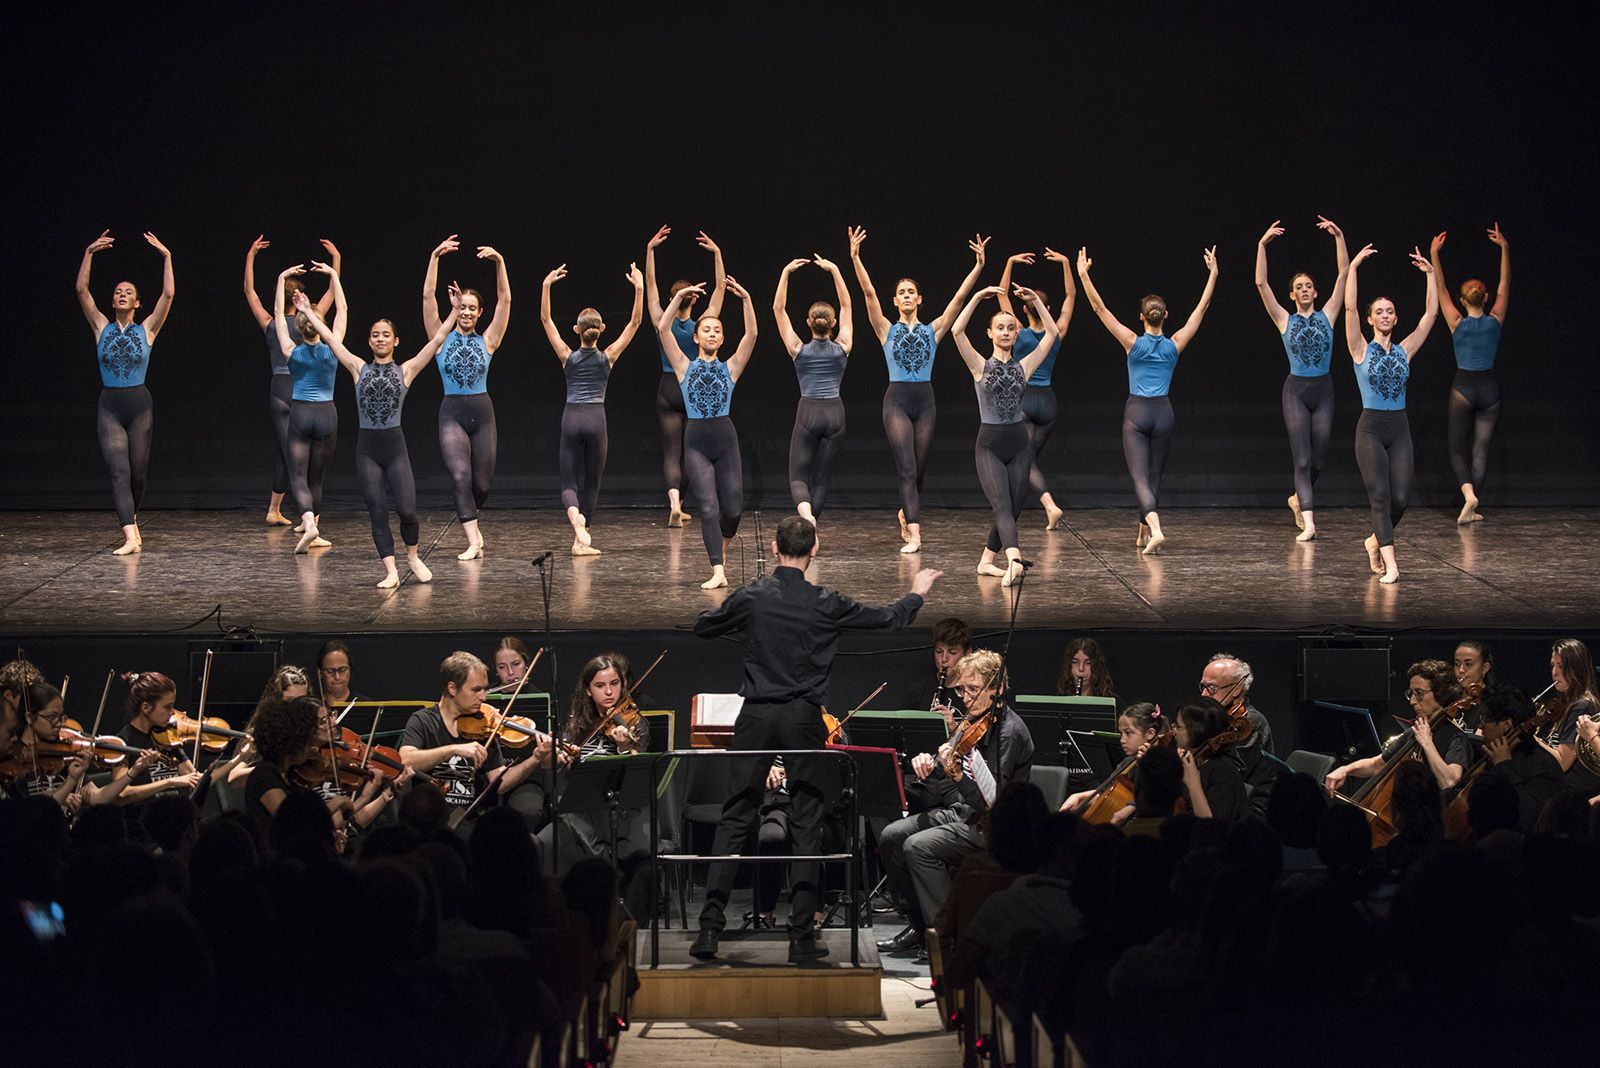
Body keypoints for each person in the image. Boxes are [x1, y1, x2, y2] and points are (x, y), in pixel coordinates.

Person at [688, 515, 941, 962]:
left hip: (758, 714)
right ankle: (801, 937)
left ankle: (709, 931)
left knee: (735, 817)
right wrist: (917, 592)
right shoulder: (825, 601)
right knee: (807, 820)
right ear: (815, 549)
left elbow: (704, 626)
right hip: (804, 716)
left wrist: (746, 623)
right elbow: (885, 619)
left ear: (773, 545)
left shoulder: (753, 596)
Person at [877, 649, 1033, 960]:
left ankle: (953, 939)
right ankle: (922, 929)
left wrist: (958, 774)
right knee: (891, 836)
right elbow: (942, 764)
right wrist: (928, 762)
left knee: (918, 847)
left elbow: (991, 801)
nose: (965, 697)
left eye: (973, 690)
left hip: (994, 826)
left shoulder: (1009, 732)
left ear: (998, 688)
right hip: (965, 813)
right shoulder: (970, 721)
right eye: (961, 689)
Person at [296, 288, 459, 585]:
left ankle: (412, 556)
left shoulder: (406, 370)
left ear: (395, 341)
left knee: (408, 510)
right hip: (367, 450)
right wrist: (307, 312)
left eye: (386, 335)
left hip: (395, 448)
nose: (380, 339)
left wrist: (455, 311)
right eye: (375, 335)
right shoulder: (358, 368)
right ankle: (391, 571)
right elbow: (331, 339)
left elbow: (437, 340)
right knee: (378, 510)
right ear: (369, 341)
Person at [849, 226, 989, 554]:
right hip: (896, 401)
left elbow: (957, 300)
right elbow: (868, 294)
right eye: (903, 292)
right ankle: (915, 533)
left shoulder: (933, 330)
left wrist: (978, 268)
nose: (908, 295)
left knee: (919, 469)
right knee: (907, 468)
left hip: (925, 401)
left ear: (920, 298)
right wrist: (855, 258)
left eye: (912, 291)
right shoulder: (885, 328)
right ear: (896, 300)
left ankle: (905, 512)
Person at [1076, 244, 1218, 554]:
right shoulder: (1174, 344)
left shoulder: (1132, 342)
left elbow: (1100, 309)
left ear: (1141, 318)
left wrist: (1084, 276)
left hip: (1138, 412)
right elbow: (1201, 310)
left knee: (1139, 476)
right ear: (1166, 316)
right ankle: (1143, 531)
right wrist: (1213, 274)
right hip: (1164, 413)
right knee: (1154, 476)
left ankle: (1154, 527)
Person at [948, 283, 1061, 585]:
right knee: (1001, 506)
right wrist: (975, 298)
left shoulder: (1025, 366)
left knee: (1014, 508)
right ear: (990, 333)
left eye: (1011, 328)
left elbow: (1052, 334)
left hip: (1019, 444)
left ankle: (986, 561)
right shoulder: (979, 366)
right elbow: (957, 331)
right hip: (990, 446)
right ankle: (1014, 559)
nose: (1007, 332)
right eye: (1000, 328)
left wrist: (1036, 299)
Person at [1342, 242, 1439, 584]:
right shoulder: (1359, 348)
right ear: (1371, 319)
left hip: (1399, 427)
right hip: (1370, 428)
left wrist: (1431, 275)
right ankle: (1391, 562)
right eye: (1379, 311)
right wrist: (1352, 269)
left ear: (1396, 318)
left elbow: (1430, 316)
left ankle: (1373, 539)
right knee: (1380, 497)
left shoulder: (1405, 350)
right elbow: (1349, 307)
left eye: (1390, 311)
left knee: (1400, 498)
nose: (1385, 315)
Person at [75, 229, 175, 556]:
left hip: (139, 406)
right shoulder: (100, 327)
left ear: (136, 302)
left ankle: (131, 515)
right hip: (111, 406)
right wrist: (89, 253)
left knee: (138, 474)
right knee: (119, 470)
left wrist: (167, 257)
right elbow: (81, 290)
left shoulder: (147, 328)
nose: (121, 294)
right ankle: (130, 535)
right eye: (118, 291)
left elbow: (169, 295)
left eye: (128, 292)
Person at [533, 653, 655, 918]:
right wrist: (557, 760)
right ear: (588, 691)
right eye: (600, 686)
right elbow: (558, 778)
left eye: (615, 683)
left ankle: (617, 916)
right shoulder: (575, 725)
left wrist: (625, 747)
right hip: (580, 811)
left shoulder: (636, 724)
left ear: (624, 685)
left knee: (640, 859)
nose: (609, 692)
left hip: (619, 812)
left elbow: (638, 776)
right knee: (543, 843)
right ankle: (558, 913)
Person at [657, 276, 759, 589]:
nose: (712, 333)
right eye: (706, 330)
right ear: (697, 338)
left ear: (722, 339)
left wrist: (745, 299)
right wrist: (679, 298)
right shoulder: (683, 366)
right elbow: (663, 329)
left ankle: (722, 545)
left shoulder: (731, 367)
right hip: (697, 441)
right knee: (709, 507)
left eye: (717, 330)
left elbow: (752, 333)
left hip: (725, 438)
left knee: (733, 507)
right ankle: (717, 569)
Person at [539, 261, 646, 555]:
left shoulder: (567, 357)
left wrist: (546, 286)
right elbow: (635, 324)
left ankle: (576, 527)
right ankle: (582, 529)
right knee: (593, 483)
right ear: (601, 329)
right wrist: (639, 289)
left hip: (571, 417)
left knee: (568, 479)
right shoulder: (608, 356)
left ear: (576, 330)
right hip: (596, 419)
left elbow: (546, 320)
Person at [1254, 217, 1350, 541]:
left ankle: (1297, 499)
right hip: (1296, 390)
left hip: (1323, 390)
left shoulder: (1329, 314)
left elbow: (1344, 275)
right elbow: (1261, 285)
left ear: (1316, 291)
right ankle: (1310, 522)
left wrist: (1339, 238)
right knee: (1303, 458)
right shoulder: (1284, 319)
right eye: (1299, 287)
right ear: (1292, 294)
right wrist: (1262, 246)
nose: (1304, 290)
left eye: (1309, 286)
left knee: (1320, 457)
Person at [421, 234, 513, 561]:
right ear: (455, 308)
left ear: (479, 312)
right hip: (452, 413)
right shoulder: (440, 339)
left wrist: (500, 262)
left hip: (482, 413)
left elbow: (505, 300)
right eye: (462, 307)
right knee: (460, 474)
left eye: (472, 308)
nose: (467, 312)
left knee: (482, 485)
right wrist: (435, 257)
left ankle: (472, 518)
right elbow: (428, 295)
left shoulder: (488, 340)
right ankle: (473, 539)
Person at [242, 234, 339, 526]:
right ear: (299, 299)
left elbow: (250, 292)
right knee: (298, 455)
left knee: (289, 452)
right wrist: (336, 261)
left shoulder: (273, 322)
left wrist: (251, 255)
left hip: (279, 388)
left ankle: (277, 510)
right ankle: (304, 516)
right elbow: (335, 297)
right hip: (299, 391)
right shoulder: (312, 319)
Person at [645, 226, 727, 528]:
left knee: (671, 450)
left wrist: (650, 250)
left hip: (667, 387)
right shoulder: (703, 324)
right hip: (691, 388)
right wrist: (717, 254)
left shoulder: (660, 320)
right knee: (693, 448)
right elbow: (719, 290)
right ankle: (685, 504)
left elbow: (651, 283)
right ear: (693, 298)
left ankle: (675, 503)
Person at [1429, 223, 1509, 525]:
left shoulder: (1456, 321)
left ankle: (1468, 495)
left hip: (1463, 386)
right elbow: (1505, 284)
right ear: (1485, 297)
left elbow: (1441, 288)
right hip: (1489, 388)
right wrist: (1504, 249)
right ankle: (1474, 502)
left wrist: (1435, 255)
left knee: (1456, 448)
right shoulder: (1495, 320)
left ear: (1463, 301)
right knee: (1480, 449)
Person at [399, 652, 542, 815]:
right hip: (429, 817)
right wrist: (452, 749)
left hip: (470, 819)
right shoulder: (423, 720)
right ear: (452, 688)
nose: (483, 697)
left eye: (484, 689)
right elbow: (406, 760)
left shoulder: (484, 723)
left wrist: (535, 758)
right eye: (476, 690)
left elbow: (500, 783)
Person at [995, 248, 1077, 530]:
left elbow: (1001, 294)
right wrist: (1067, 264)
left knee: (1024, 460)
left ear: (1025, 309)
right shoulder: (1058, 330)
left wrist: (1008, 262)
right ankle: (1017, 505)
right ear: (1047, 310)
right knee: (1027, 460)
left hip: (1025, 399)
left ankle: (1049, 505)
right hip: (1048, 403)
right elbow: (1070, 298)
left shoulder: (1018, 331)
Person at [773, 254, 854, 525]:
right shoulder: (843, 345)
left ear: (808, 322)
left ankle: (808, 519)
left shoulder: (798, 349)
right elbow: (846, 304)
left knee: (798, 476)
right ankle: (811, 523)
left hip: (809, 411)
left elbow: (778, 309)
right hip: (835, 412)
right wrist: (835, 271)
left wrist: (785, 272)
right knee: (821, 476)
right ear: (832, 324)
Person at [272, 263, 347, 553]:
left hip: (301, 413)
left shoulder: (291, 350)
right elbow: (342, 309)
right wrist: (334, 276)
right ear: (320, 324)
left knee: (298, 475)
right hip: (327, 414)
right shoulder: (333, 347)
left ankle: (309, 523)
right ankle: (313, 525)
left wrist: (281, 279)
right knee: (316, 477)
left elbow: (279, 315)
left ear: (300, 326)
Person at [1324, 659, 1473, 796]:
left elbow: (1450, 782)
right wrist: (1346, 769)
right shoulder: (1413, 733)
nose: (1412, 701)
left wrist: (1427, 744)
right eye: (1411, 694)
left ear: (1440, 693)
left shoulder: (1455, 737)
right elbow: (1376, 765)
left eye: (1419, 694)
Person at [11, 681, 155, 812]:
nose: (60, 723)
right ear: (29, 717)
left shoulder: (63, 755)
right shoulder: (12, 761)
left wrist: (134, 771)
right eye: (52, 717)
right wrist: (68, 785)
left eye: (61, 716)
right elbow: (32, 812)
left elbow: (97, 798)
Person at [1198, 653, 1279, 812]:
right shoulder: (1218, 718)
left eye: (1211, 688)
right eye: (1203, 686)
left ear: (1236, 689)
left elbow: (1231, 772)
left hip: (1250, 804)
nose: (1204, 694)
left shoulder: (1249, 722)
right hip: (1224, 794)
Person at [1477, 688, 1563, 834]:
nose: (1480, 726)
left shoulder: (1542, 764)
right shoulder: (1492, 756)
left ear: (1506, 724)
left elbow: (1529, 817)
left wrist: (1504, 765)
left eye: (1485, 719)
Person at [1059, 702, 1165, 819]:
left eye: (1128, 733)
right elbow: (1106, 791)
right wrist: (1080, 797)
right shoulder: (1127, 762)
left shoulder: (1161, 766)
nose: (1122, 740)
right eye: (1121, 733)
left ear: (1150, 733)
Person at [112, 671, 204, 803]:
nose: (172, 712)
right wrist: (169, 782)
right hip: (143, 819)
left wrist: (236, 760)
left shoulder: (167, 737)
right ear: (146, 707)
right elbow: (123, 793)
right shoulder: (122, 742)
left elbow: (195, 778)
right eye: (168, 707)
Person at [243, 695, 321, 825]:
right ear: (291, 742)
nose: (311, 747)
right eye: (306, 741)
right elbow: (293, 822)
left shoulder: (288, 774)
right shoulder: (264, 775)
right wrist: (336, 804)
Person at [1541, 638, 1600, 798]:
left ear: (1576, 668)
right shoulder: (1568, 705)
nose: (1554, 672)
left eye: (1561, 666)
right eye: (1553, 665)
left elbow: (1561, 762)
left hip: (1575, 796)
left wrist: (1531, 737)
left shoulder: (1582, 705)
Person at [1174, 698, 1248, 821]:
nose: (1174, 731)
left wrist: (1193, 784)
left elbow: (1213, 827)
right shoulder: (1196, 763)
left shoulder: (1222, 771)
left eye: (1178, 726)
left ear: (1196, 730)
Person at [1453, 639, 1495, 730]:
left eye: (1468, 664)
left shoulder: (1492, 703)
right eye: (1457, 664)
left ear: (1485, 668)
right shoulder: (1450, 701)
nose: (1461, 670)